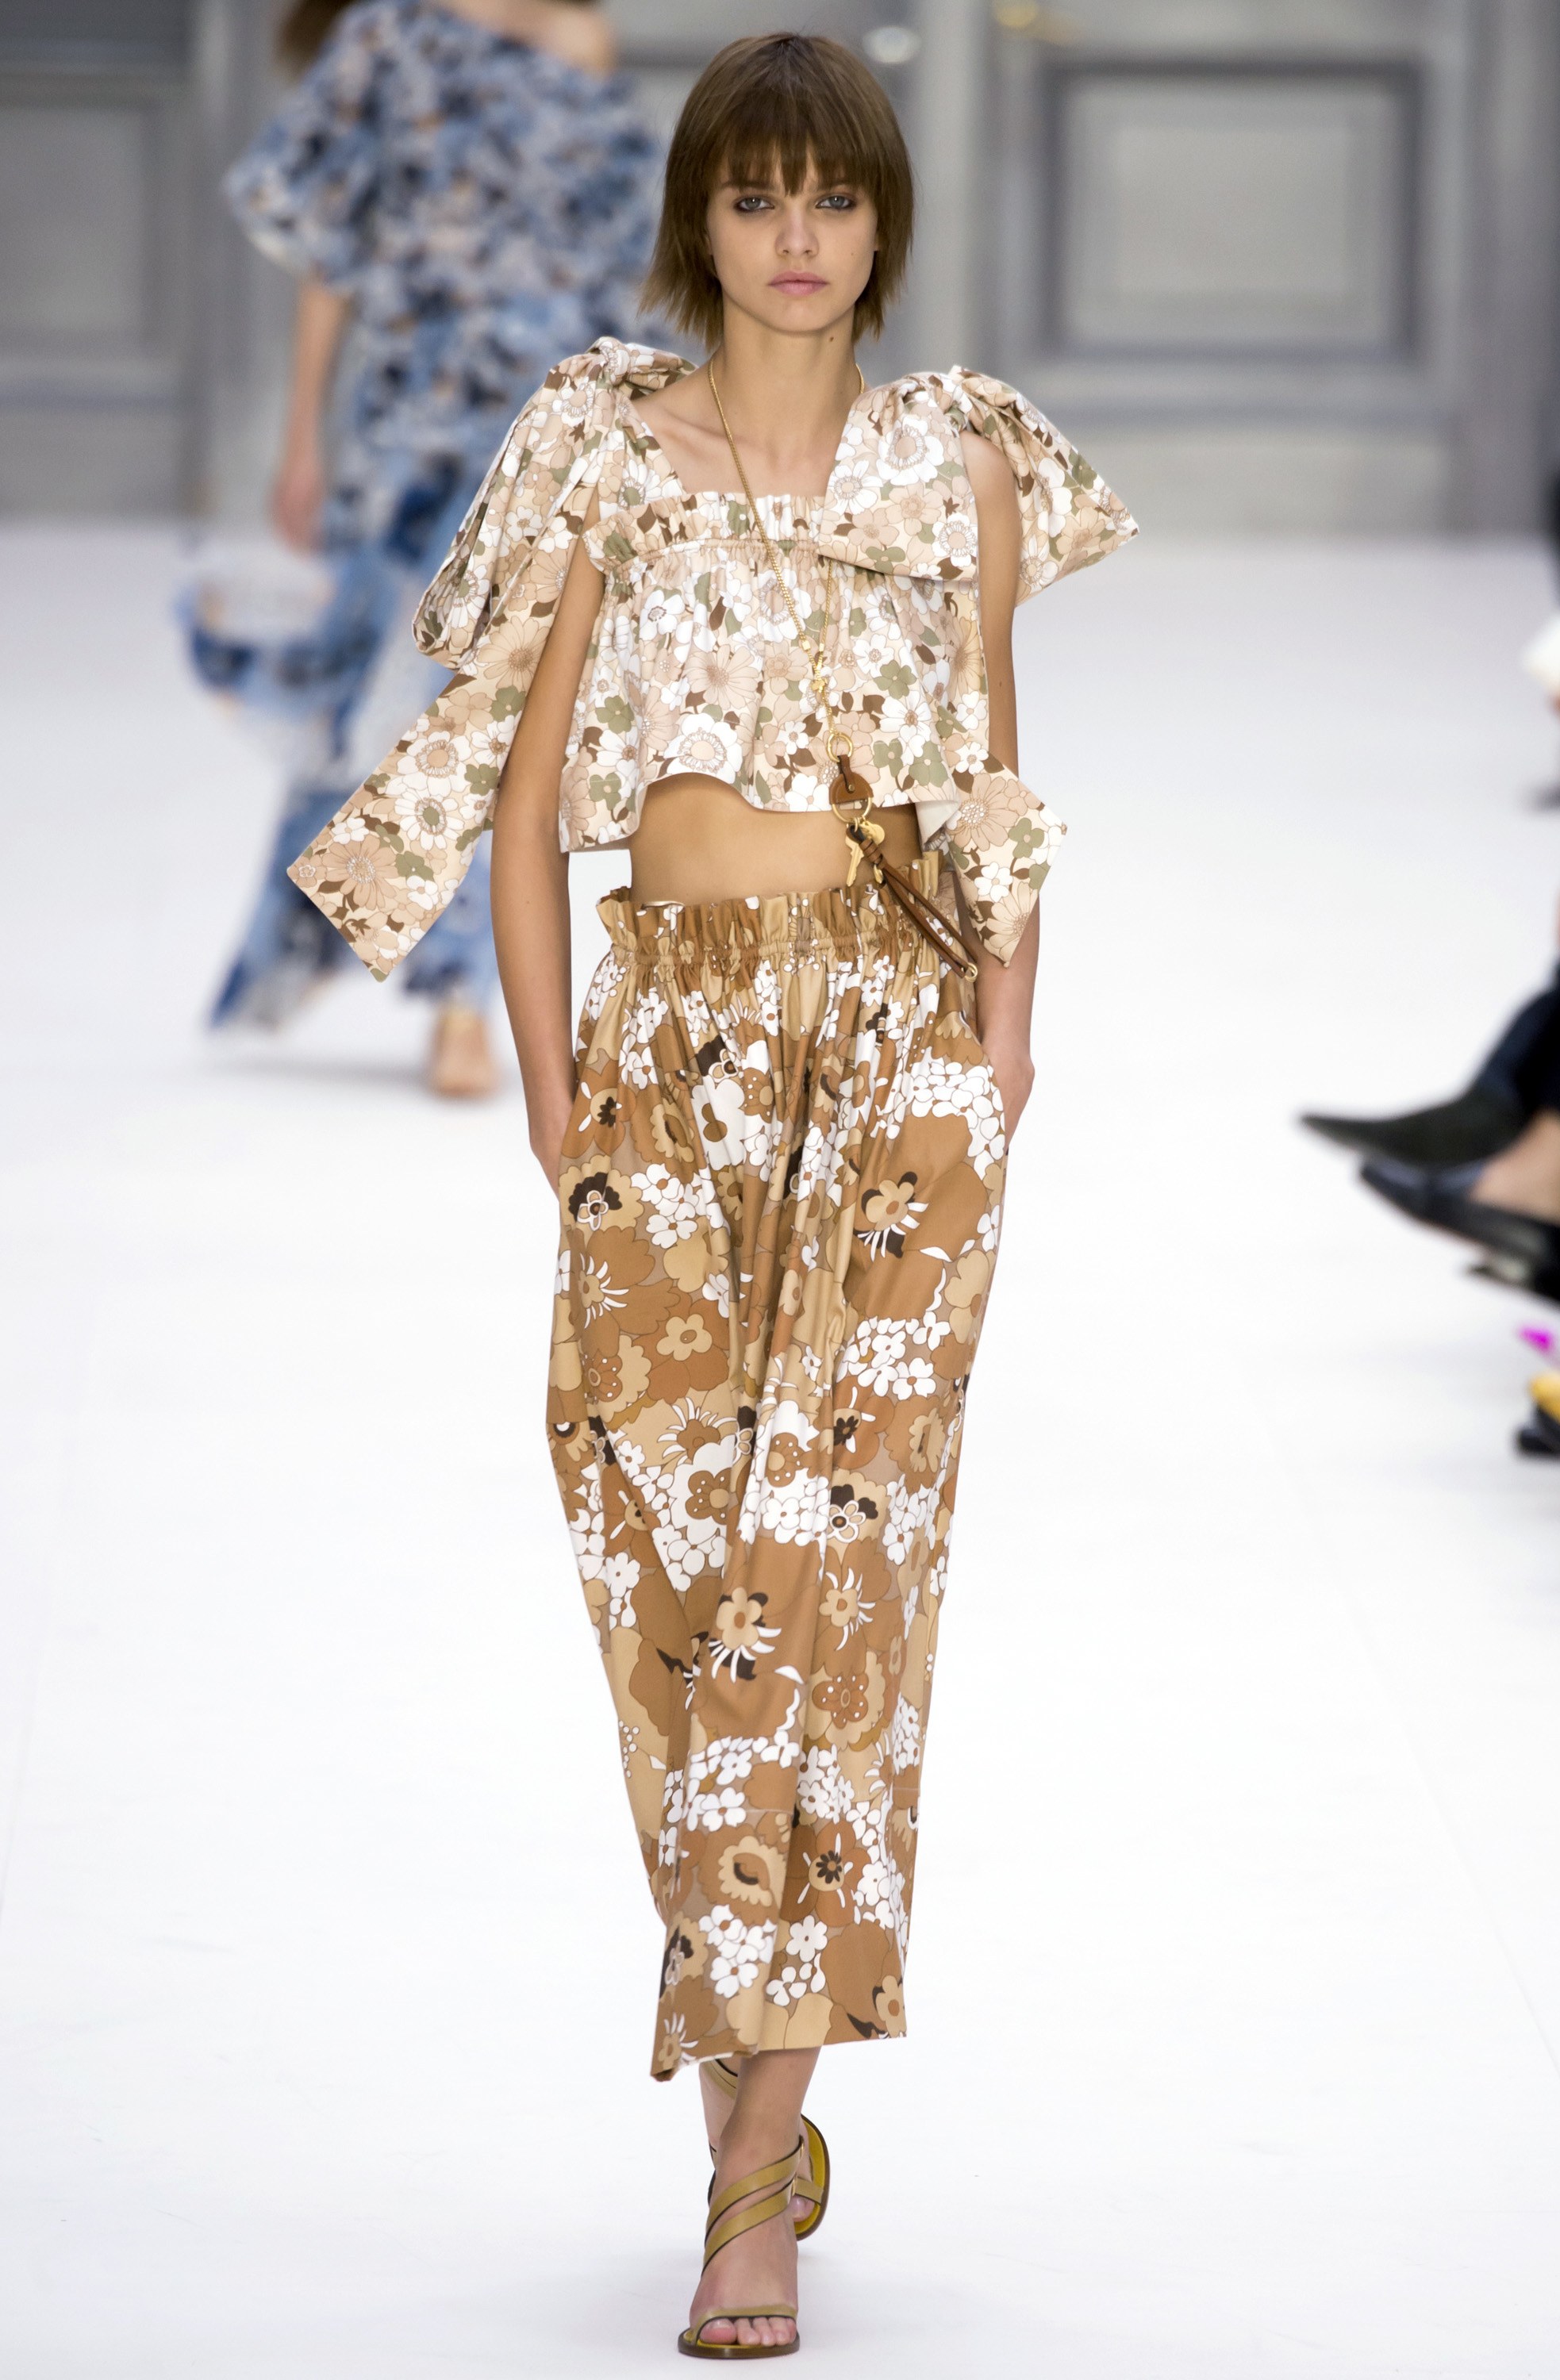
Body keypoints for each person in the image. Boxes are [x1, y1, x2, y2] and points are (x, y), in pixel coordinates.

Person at [286, 32, 1135, 2354]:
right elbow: (527, 783)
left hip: (895, 1051)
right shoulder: (602, 444)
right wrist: (555, 1095)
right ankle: (755, 2077)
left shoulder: (960, 460)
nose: (796, 237)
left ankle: (750, 2175)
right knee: (667, 1575)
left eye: (832, 196)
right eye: (755, 194)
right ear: (699, 220)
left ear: (882, 222)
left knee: (825, 1599)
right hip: (665, 1052)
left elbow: (992, 776)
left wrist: (1003, 1046)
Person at [195, 0, 656, 1095]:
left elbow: (614, 257)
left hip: (547, 426)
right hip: (411, 425)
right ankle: (338, 928)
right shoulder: (384, 38)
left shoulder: (576, 40)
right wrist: (302, 437)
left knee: (497, 712)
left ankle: (461, 1000)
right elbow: (332, 256)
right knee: (389, 700)